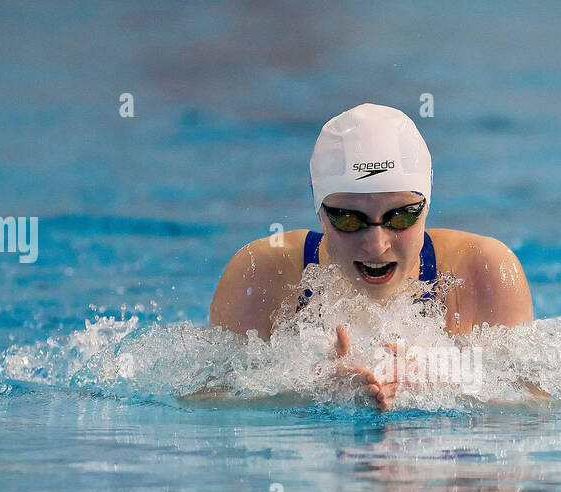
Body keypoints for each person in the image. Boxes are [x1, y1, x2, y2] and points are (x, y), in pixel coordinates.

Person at [208, 104, 534, 410]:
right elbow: (204, 405)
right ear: (319, 210)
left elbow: (537, 410)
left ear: (427, 206)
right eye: (350, 219)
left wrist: (445, 386)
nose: (376, 245)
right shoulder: (262, 272)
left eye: (400, 217)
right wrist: (311, 391)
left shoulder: (484, 271)